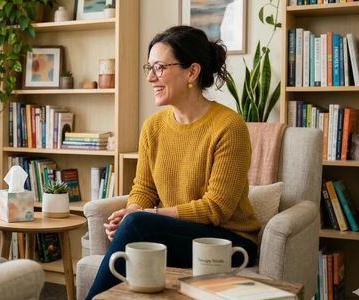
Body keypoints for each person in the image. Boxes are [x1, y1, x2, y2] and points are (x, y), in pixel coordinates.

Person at [85, 26, 261, 299]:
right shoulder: (153, 127)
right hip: (179, 234)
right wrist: (130, 211)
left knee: (138, 225)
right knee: (134, 224)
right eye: (149, 67)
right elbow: (144, 189)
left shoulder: (229, 126)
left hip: (228, 241)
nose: (150, 77)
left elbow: (217, 208)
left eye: (159, 67)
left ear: (192, 72)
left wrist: (145, 217)